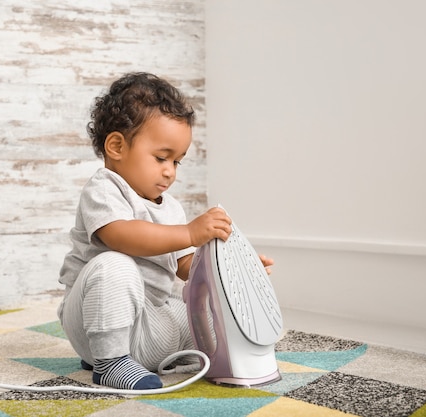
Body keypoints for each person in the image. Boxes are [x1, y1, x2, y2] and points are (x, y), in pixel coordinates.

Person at [57, 72, 273, 390]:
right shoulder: (104, 188)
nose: (170, 171)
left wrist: (235, 272)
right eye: (161, 158)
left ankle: (180, 356)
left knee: (201, 311)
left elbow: (187, 267)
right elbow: (121, 236)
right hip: (93, 320)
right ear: (116, 146)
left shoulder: (171, 208)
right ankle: (108, 363)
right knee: (114, 265)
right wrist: (188, 233)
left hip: (149, 321)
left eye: (177, 162)